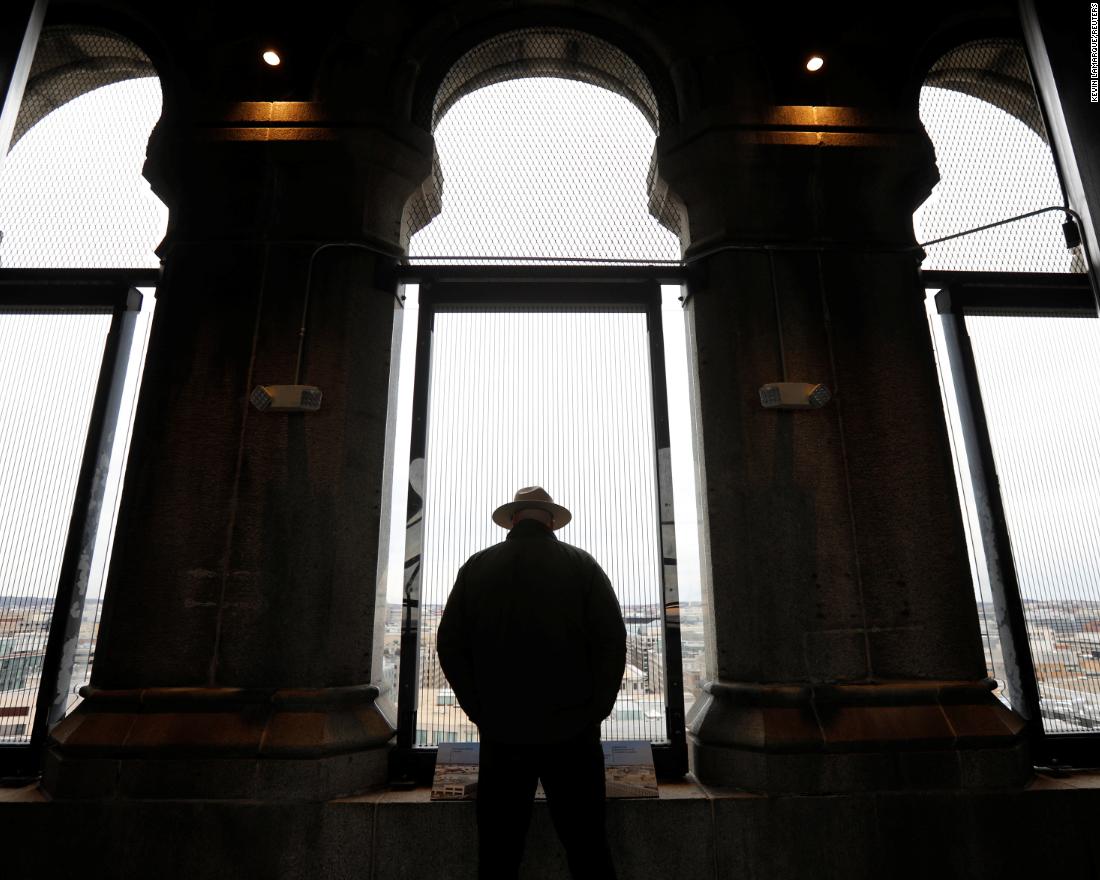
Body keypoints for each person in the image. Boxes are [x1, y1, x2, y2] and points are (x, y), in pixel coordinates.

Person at [436, 486, 626, 880]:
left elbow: (450, 645)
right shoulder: (582, 565)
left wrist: (479, 708)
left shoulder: (476, 567)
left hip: (502, 733)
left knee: (498, 853)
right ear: (552, 521)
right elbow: (612, 642)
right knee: (588, 849)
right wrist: (595, 710)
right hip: (572, 733)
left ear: (514, 519)